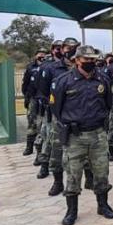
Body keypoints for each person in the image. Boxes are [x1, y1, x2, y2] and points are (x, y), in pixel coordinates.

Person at [50, 45, 113, 225]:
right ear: (77, 60)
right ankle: (72, 211)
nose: (90, 63)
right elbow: (56, 109)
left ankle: (102, 205)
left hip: (97, 134)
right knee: (73, 175)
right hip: (74, 136)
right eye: (86, 60)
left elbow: (108, 104)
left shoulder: (102, 79)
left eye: (93, 60)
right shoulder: (63, 81)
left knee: (101, 172)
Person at [39, 37, 82, 196]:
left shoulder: (82, 67)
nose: (71, 49)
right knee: (57, 150)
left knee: (81, 151)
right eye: (69, 47)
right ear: (62, 49)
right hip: (60, 117)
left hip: (80, 117)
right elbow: (44, 91)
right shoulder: (51, 68)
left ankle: (86, 179)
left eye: (75, 47)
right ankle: (57, 182)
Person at [33, 40, 63, 173]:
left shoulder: (71, 65)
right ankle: (44, 164)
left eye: (61, 48)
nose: (60, 51)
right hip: (51, 108)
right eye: (57, 48)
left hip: (69, 108)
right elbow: (41, 89)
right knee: (49, 137)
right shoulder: (47, 66)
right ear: (52, 49)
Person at [21, 48, 48, 156]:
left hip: (43, 98)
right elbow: (25, 83)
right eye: (39, 54)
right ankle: (29, 146)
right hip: (33, 98)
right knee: (31, 122)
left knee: (41, 124)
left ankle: (39, 151)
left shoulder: (48, 67)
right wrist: (27, 97)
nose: (42, 56)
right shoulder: (30, 67)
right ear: (35, 55)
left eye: (44, 54)